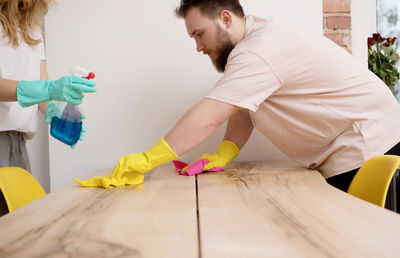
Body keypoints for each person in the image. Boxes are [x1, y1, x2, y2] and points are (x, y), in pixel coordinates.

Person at [76, 0, 400, 192]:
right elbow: (244, 109)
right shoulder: (254, 42)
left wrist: (145, 161)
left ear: (225, 19)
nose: (198, 47)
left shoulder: (258, 51)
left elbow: (209, 116)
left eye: (199, 34)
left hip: (371, 145)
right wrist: (225, 153)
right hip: (360, 144)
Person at [0, 0, 97, 172]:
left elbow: (41, 84)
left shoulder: (32, 31)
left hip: (18, 143)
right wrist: (47, 89)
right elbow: (42, 88)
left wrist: (55, 109)